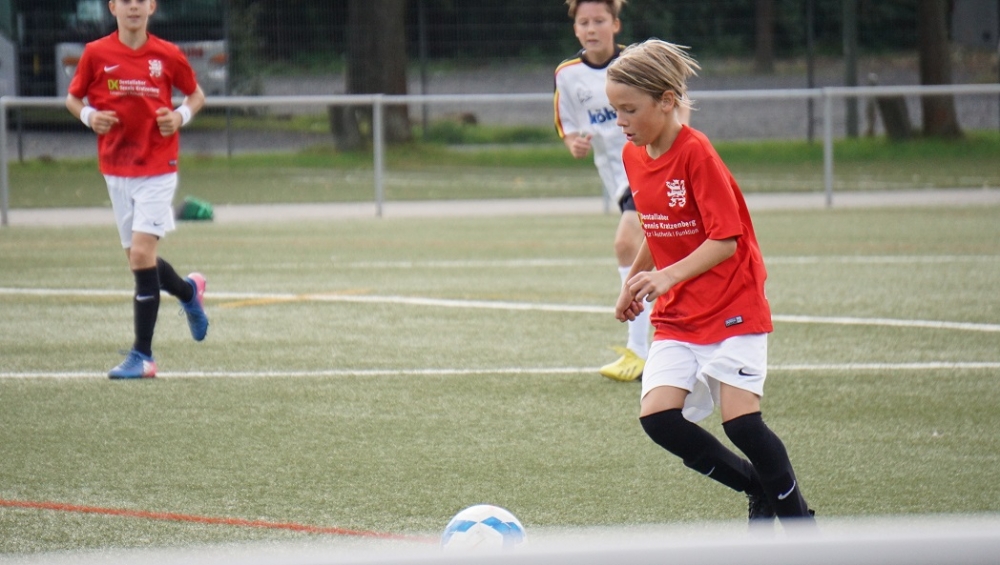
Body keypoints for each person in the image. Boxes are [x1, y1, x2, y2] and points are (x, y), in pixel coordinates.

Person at [605, 39, 815, 525]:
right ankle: (757, 487)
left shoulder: (696, 154)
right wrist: (632, 283)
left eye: (629, 109)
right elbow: (657, 228)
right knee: (659, 419)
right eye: (615, 110)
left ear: (666, 100)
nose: (620, 121)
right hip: (680, 314)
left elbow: (726, 240)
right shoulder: (634, 156)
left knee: (742, 424)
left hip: (732, 305)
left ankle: (801, 526)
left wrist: (666, 276)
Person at [65, 0, 208, 379]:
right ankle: (189, 292)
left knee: (142, 254)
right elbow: (73, 98)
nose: (133, 7)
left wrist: (179, 116)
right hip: (116, 168)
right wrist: (90, 116)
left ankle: (142, 356)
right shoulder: (96, 53)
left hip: (158, 167)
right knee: (139, 261)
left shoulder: (167, 54)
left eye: (140, 1)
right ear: (113, 7)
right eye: (125, 1)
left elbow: (196, 95)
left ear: (152, 7)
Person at [554, 0, 689, 382]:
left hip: (649, 164)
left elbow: (676, 100)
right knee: (667, 245)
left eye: (599, 20)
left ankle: (640, 349)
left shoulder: (635, 63)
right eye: (584, 22)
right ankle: (674, 336)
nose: (591, 28)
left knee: (626, 243)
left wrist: (677, 141)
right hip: (617, 176)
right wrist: (573, 143)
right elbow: (567, 124)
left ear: (615, 24)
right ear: (575, 29)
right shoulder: (568, 74)